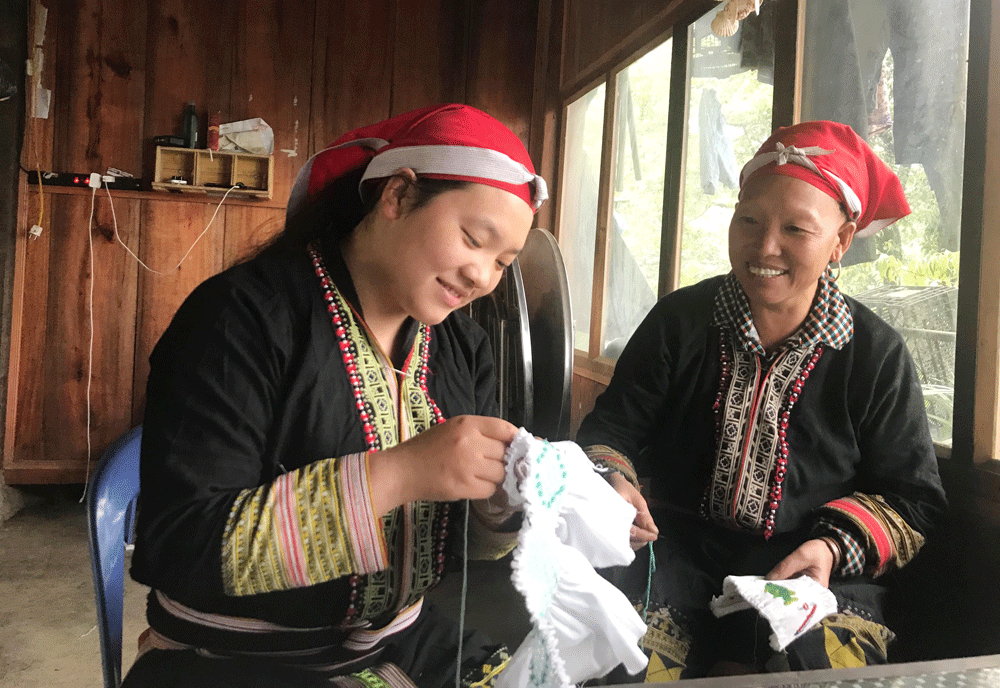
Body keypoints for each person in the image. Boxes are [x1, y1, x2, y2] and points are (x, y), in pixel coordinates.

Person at [123, 103, 547, 688]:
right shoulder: (239, 318)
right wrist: (400, 473)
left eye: (502, 262)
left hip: (400, 639)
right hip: (234, 658)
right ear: (397, 195)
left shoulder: (461, 349)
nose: (482, 276)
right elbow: (182, 546)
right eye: (473, 239)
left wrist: (506, 499)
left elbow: (456, 546)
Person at [576, 120, 948, 681]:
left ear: (841, 240)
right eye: (749, 220)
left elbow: (912, 500)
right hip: (673, 556)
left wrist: (830, 549)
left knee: (811, 672)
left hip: (809, 572)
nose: (764, 246)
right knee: (623, 662)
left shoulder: (874, 354)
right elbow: (611, 432)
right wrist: (614, 480)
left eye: (796, 228)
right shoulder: (680, 323)